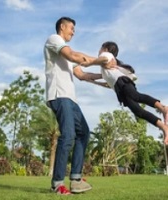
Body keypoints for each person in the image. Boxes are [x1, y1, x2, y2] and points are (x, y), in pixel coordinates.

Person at [44, 17, 111, 195]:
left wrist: (106, 79)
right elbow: (74, 55)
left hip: (70, 99)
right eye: (71, 28)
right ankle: (57, 184)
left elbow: (82, 75)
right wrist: (102, 60)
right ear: (62, 27)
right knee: (68, 135)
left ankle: (75, 179)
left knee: (83, 133)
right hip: (59, 95)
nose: (73, 32)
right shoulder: (54, 40)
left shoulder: (66, 54)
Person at [85, 41, 168, 145]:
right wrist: (92, 81)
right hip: (119, 88)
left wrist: (90, 63)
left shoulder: (107, 55)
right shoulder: (105, 69)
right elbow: (107, 83)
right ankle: (164, 127)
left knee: (136, 96)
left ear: (106, 49)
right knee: (138, 111)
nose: (99, 51)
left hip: (122, 83)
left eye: (100, 48)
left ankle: (163, 108)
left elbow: (103, 59)